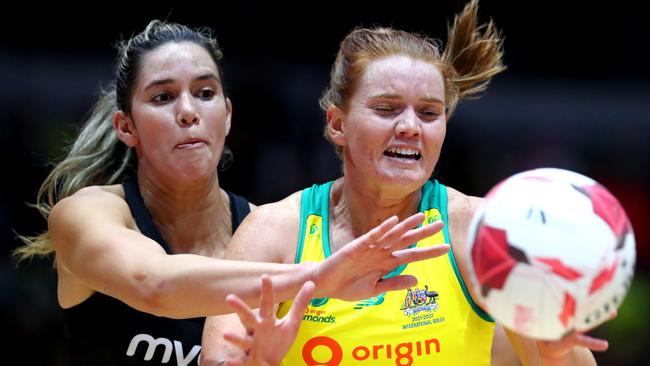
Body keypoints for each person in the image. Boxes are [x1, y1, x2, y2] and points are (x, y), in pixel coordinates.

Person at [13, 20, 450, 366]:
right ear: (126, 126)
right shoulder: (87, 214)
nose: (188, 112)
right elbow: (154, 285)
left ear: (226, 115)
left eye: (206, 94)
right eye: (163, 98)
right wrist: (319, 277)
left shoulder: (266, 234)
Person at [200, 1, 613, 365]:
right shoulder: (272, 235)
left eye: (430, 113)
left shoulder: (481, 233)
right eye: (387, 108)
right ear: (337, 123)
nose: (411, 127)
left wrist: (556, 354)